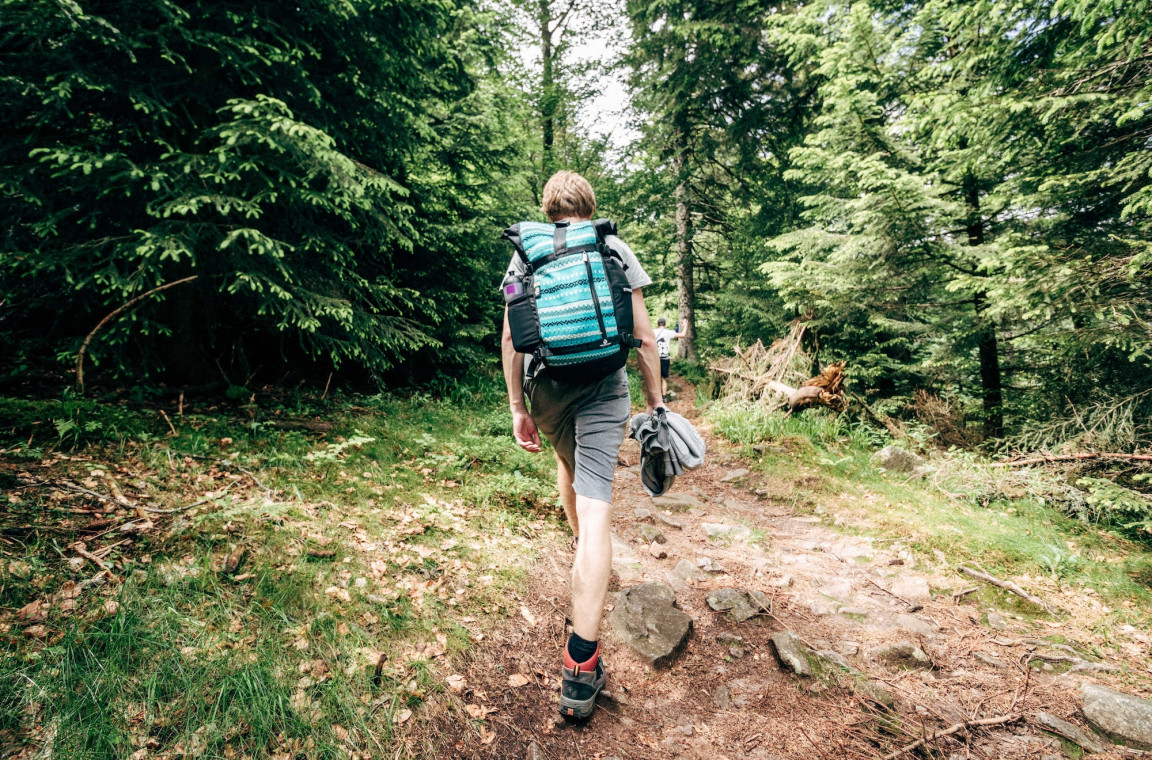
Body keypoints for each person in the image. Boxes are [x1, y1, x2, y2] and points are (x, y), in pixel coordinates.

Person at [500, 170, 665, 719]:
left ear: (547, 209)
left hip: (547, 388)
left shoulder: (526, 252)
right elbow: (642, 335)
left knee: (565, 461)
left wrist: (518, 408)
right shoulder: (611, 245)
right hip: (602, 386)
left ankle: (581, 553)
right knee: (598, 508)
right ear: (589, 205)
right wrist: (655, 401)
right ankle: (580, 666)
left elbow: (510, 336)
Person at [653, 317, 687, 397]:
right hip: (665, 358)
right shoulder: (668, 332)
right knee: (664, 379)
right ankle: (664, 397)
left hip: (656, 358)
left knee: (656, 379)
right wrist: (685, 325)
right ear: (665, 324)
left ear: (658, 324)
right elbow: (682, 335)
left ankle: (656, 398)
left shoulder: (653, 332)